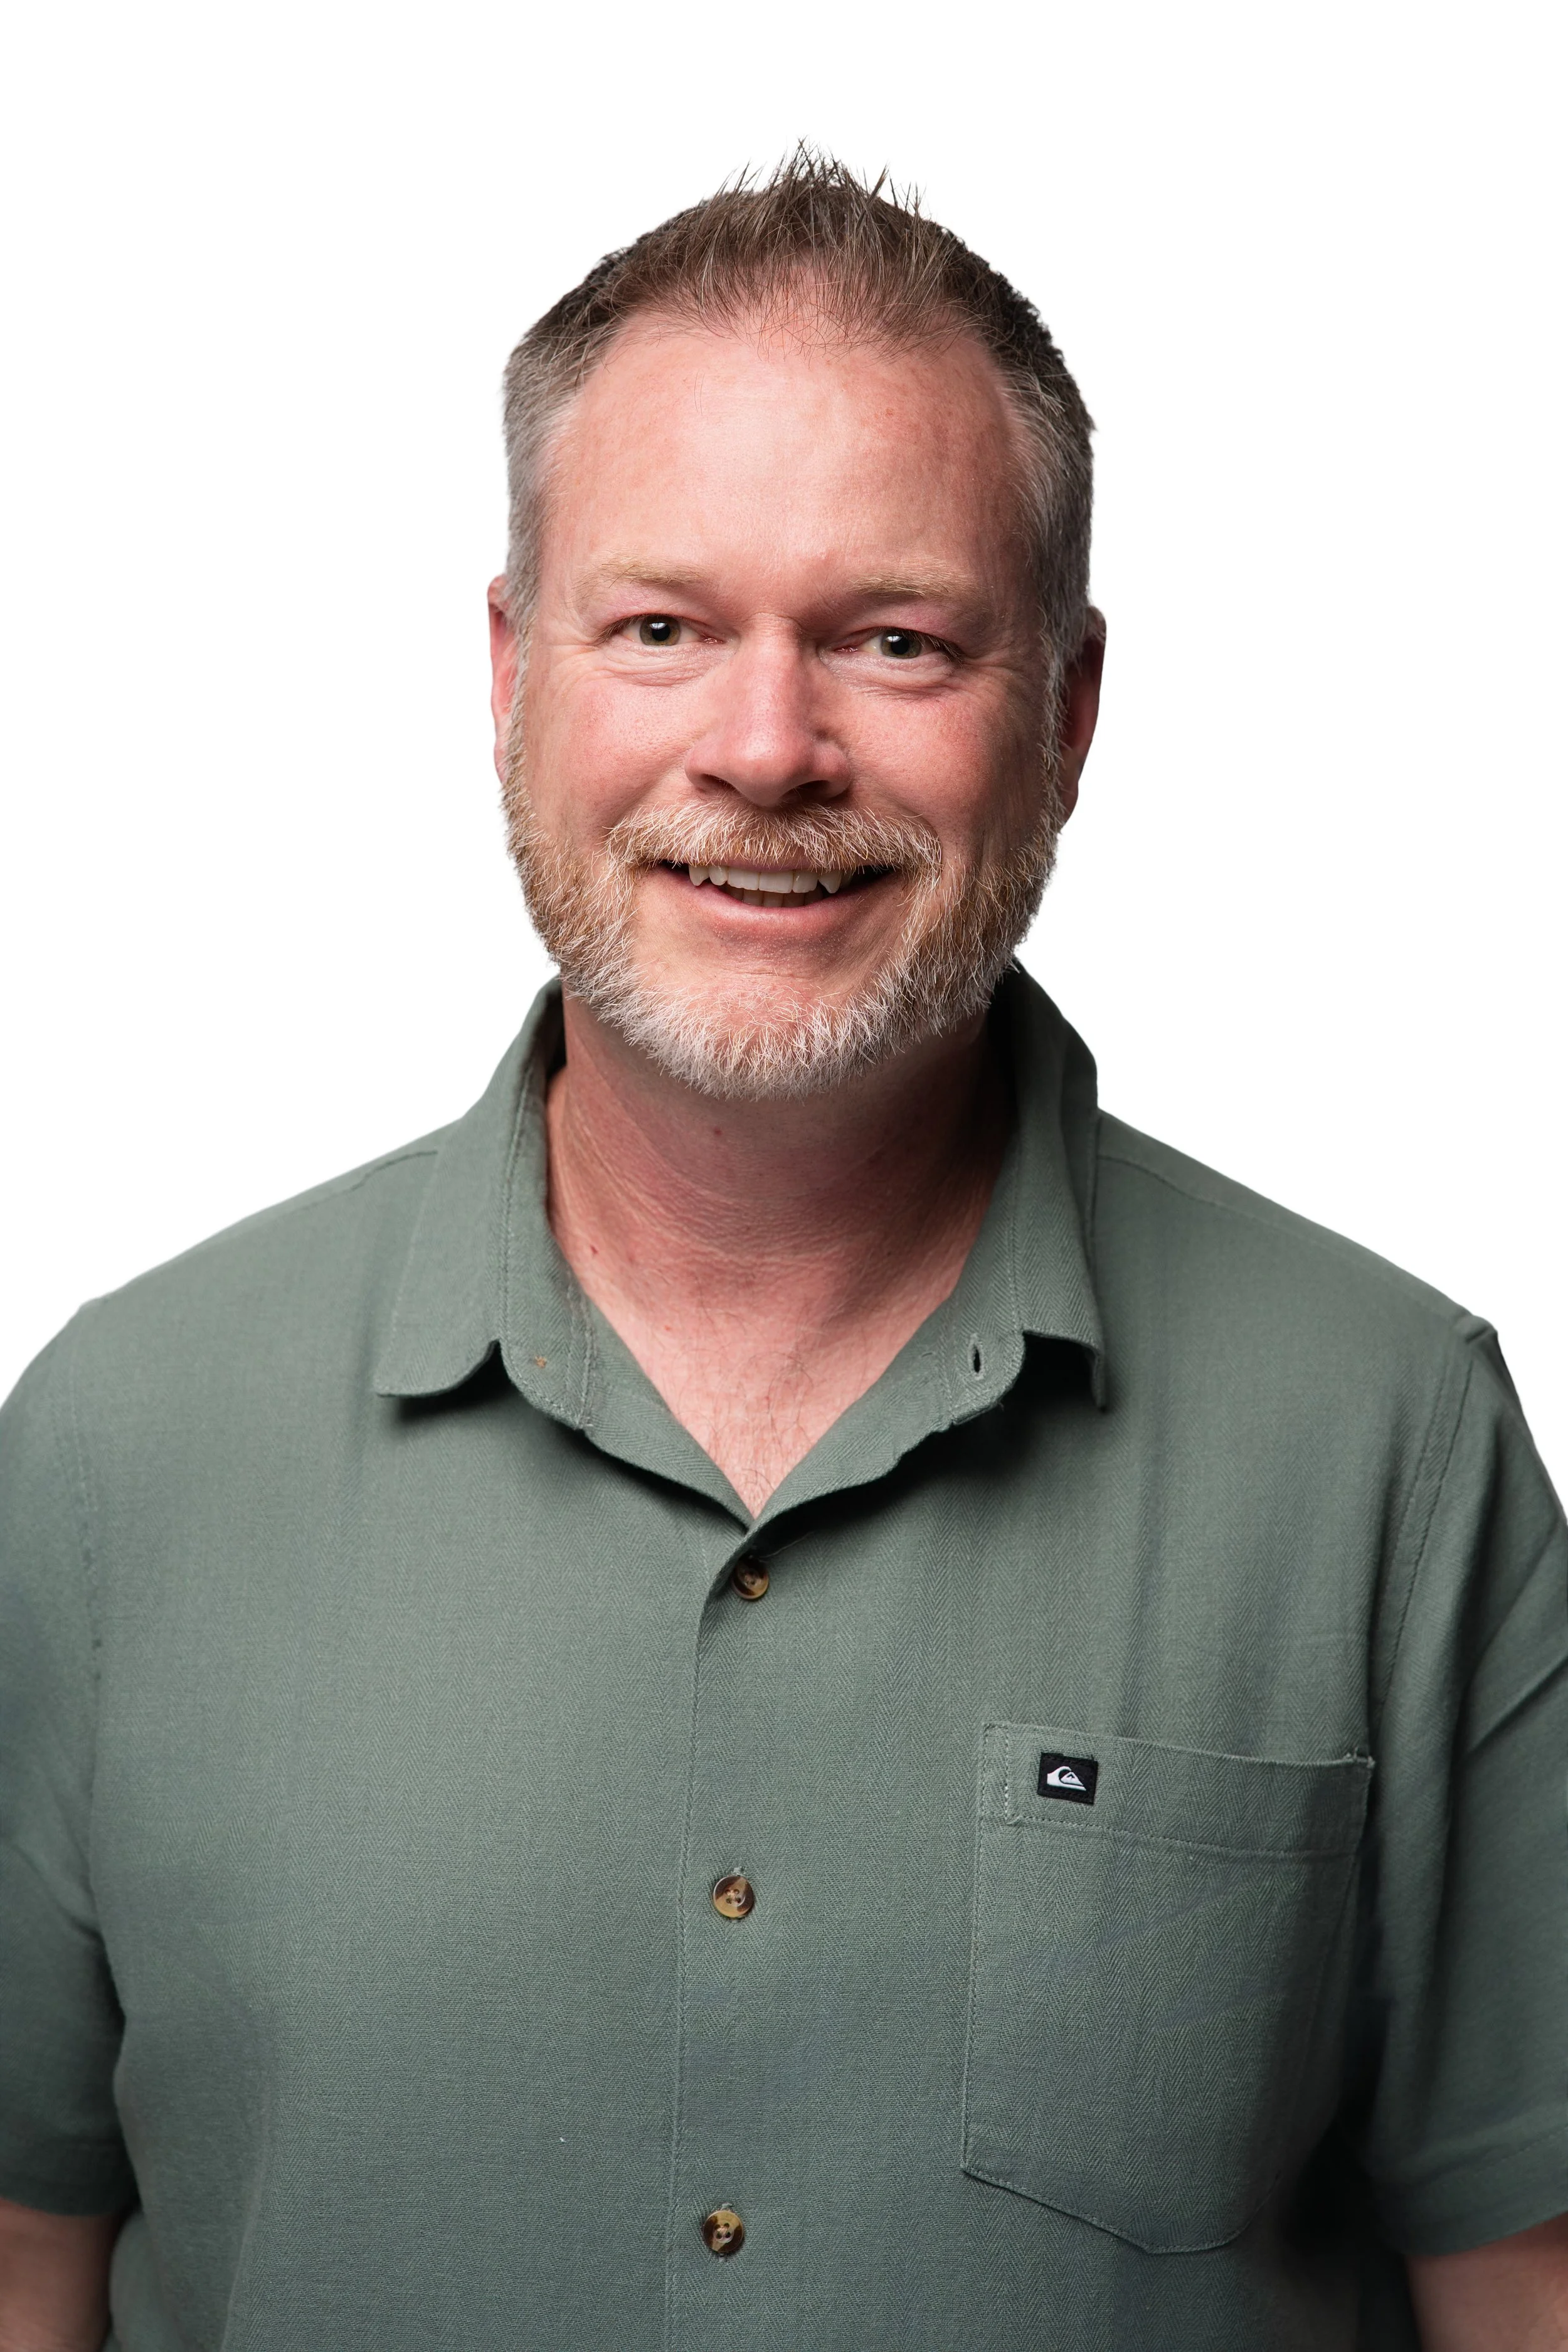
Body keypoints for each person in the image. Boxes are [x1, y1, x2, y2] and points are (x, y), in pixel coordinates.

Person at [1, 153, 1563, 2352]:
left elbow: (1520, 2277)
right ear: (513, 667)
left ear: (1070, 711)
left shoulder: (1390, 1445)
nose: (762, 746)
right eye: (661, 627)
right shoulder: (108, 1448)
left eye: (893, 639)